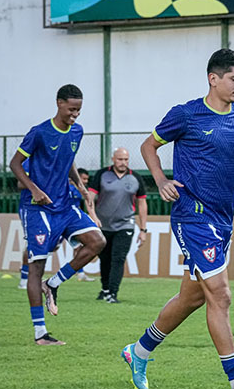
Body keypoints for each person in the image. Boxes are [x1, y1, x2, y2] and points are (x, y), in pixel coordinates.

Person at [121, 49, 234, 389]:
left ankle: (139, 351)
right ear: (213, 78)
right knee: (220, 295)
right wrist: (160, 180)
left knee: (191, 297)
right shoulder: (186, 114)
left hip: (223, 217)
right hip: (192, 214)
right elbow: (149, 145)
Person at [9, 84, 106, 346]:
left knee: (97, 241)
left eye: (79, 110)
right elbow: (15, 164)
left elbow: (69, 158)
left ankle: (54, 283)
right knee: (36, 266)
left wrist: (82, 187)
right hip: (37, 208)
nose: (75, 115)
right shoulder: (39, 132)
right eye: (72, 109)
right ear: (59, 103)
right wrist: (34, 189)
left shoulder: (77, 131)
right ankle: (40, 333)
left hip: (64, 205)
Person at [17, 168, 94, 289]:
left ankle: (79, 274)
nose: (85, 181)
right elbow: (20, 183)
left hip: (66, 217)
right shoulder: (32, 161)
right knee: (37, 246)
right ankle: (24, 278)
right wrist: (38, 186)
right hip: (37, 211)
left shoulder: (73, 189)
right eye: (83, 179)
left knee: (83, 244)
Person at [88, 147, 148, 303]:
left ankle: (113, 293)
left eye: (126, 159)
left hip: (125, 225)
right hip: (103, 225)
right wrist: (93, 217)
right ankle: (105, 289)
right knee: (105, 258)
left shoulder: (136, 178)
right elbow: (90, 198)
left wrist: (143, 229)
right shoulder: (102, 174)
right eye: (120, 159)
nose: (123, 162)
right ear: (113, 159)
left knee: (118, 258)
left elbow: (142, 204)